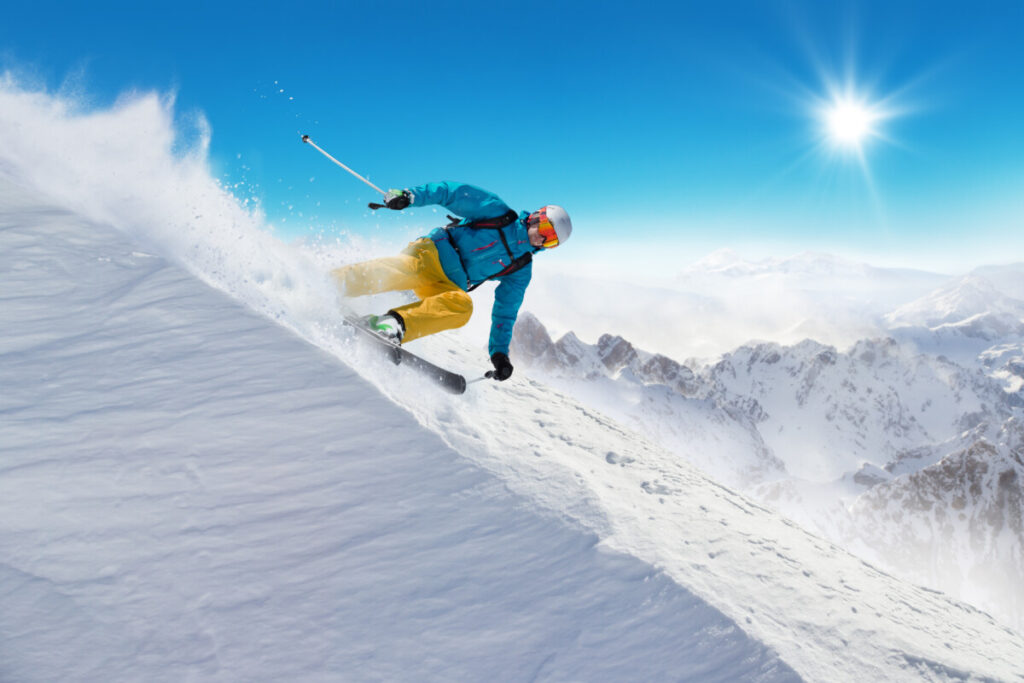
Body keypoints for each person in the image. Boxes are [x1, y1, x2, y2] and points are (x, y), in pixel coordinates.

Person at [331, 181, 572, 382]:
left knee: (462, 307)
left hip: (446, 284)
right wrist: (409, 196)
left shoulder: (521, 267)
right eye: (546, 231)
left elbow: (506, 312)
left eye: (551, 241)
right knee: (403, 271)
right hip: (430, 254)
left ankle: (390, 325)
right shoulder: (498, 212)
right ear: (537, 217)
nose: (542, 239)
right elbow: (451, 193)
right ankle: (331, 284)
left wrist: (500, 354)